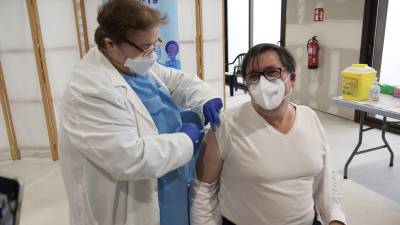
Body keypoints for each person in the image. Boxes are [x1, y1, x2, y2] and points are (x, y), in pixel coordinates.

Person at [58, 1, 222, 225]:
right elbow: (131, 158)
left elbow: (176, 80)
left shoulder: (133, 63)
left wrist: (205, 97)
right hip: (134, 198)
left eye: (155, 44)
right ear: (110, 43)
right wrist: (185, 139)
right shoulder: (89, 91)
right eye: (146, 47)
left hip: (168, 178)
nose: (152, 54)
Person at [190, 43, 346, 225]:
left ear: (292, 78)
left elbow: (326, 178)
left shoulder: (309, 118)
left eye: (272, 72)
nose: (263, 83)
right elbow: (202, 191)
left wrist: (335, 217)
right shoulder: (225, 126)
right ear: (247, 86)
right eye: (253, 76)